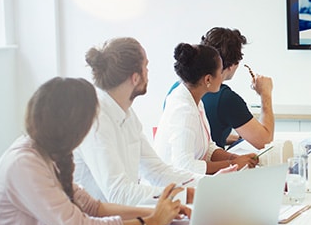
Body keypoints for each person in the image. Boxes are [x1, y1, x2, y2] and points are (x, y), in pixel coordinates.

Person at [0, 77, 186, 225]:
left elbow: (94, 208)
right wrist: (152, 221)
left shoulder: (48, 153)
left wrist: (160, 212)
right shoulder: (24, 164)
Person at [74, 37, 233, 206]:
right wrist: (188, 195)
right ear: (135, 78)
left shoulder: (126, 113)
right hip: (101, 224)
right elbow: (119, 193)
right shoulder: (95, 120)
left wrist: (208, 184)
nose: (148, 73)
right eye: (146, 67)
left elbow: (157, 170)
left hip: (124, 215)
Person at [153, 43, 259, 175]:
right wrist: (233, 164)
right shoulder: (184, 110)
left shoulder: (195, 98)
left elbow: (206, 148)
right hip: (173, 189)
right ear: (208, 79)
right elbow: (184, 166)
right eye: (220, 72)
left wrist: (234, 158)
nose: (222, 77)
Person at [199, 27, 274, 149]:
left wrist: (233, 137)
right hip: (208, 167)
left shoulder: (180, 87)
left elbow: (203, 132)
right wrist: (265, 94)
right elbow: (265, 142)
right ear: (232, 64)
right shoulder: (225, 99)